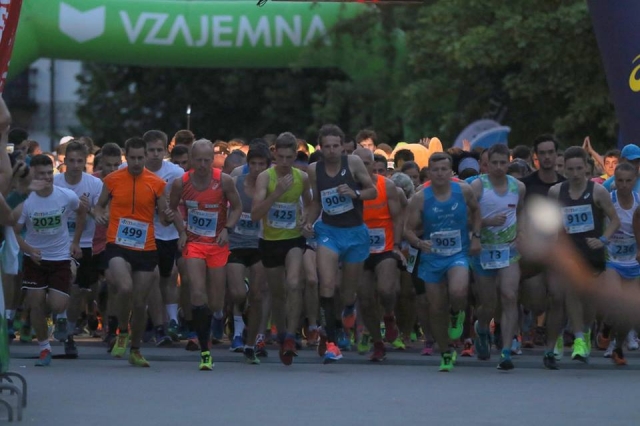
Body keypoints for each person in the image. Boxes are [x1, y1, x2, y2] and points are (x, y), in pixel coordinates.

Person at [94, 137, 173, 368]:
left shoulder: (157, 183)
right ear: (125, 157)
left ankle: (136, 349)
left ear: (145, 157)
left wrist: (168, 216)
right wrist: (99, 214)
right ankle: (121, 331)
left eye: (140, 158)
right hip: (117, 243)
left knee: (140, 303)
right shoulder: (112, 180)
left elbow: (164, 218)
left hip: (145, 247)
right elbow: (99, 205)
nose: (137, 162)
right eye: (132, 158)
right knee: (125, 287)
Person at [303, 124, 377, 363]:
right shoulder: (314, 169)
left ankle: (348, 308)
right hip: (329, 231)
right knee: (326, 285)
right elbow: (316, 201)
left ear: (342, 147)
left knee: (347, 293)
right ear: (320, 148)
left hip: (355, 233)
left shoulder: (353, 163)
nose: (332, 150)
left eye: (336, 146)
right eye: (327, 147)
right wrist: (308, 221)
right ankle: (332, 344)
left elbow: (372, 191)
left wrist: (355, 193)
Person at [404, 152, 481, 372]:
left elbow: (477, 212)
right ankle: (446, 352)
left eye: (444, 169)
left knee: (458, 291)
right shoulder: (420, 197)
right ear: (429, 172)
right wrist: (419, 243)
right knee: (436, 308)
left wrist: (476, 237)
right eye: (435, 170)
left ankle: (457, 313)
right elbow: (407, 230)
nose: (440, 174)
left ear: (451, 172)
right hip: (432, 257)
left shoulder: (463, 191)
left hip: (457, 253)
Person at [169, 139, 242, 370]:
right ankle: (205, 350)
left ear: (213, 159)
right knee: (197, 292)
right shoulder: (181, 182)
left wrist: (228, 228)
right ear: (191, 159)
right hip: (194, 244)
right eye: (198, 160)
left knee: (216, 302)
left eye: (206, 160)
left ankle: (213, 320)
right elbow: (172, 208)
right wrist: (181, 231)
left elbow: (237, 207)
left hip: (217, 244)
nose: (202, 165)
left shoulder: (224, 180)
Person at [544, 146, 619, 369]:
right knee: (569, 290)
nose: (575, 173)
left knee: (589, 302)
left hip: (592, 253)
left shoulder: (598, 192)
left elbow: (614, 220)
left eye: (579, 168)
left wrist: (603, 239)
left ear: (587, 167)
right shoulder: (556, 192)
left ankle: (584, 332)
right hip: (568, 253)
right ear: (564, 170)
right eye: (570, 169)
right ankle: (576, 338)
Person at [13, 154, 85, 366]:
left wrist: (76, 242)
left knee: (56, 305)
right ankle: (44, 348)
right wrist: (28, 249)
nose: (46, 178)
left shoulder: (66, 196)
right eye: (40, 174)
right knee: (35, 302)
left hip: (60, 257)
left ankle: (69, 271)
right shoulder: (27, 202)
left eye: (49, 173)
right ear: (33, 176)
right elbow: (15, 232)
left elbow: (82, 212)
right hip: (35, 259)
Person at [251, 132, 312, 366]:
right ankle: (282, 332)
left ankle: (290, 338)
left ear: (295, 156)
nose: (285, 162)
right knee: (277, 293)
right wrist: (276, 193)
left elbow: (310, 204)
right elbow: (255, 213)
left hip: (293, 239)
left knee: (294, 283)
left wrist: (307, 220)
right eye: (281, 157)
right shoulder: (265, 178)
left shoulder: (302, 177)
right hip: (270, 241)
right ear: (274, 154)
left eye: (289, 157)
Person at [470, 143, 526, 370]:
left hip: (508, 250)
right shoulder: (477, 186)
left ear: (508, 163)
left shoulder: (518, 187)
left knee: (509, 295)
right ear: (487, 163)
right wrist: (484, 223)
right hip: (483, 249)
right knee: (488, 303)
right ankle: (482, 327)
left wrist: (520, 233)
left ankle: (506, 350)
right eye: (494, 163)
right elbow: (466, 218)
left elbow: (520, 213)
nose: (499, 167)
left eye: (503, 163)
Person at [353, 148, 405, 361]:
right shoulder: (348, 189)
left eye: (366, 163)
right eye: (358, 164)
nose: (362, 168)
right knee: (365, 299)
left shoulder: (386, 185)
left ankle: (389, 315)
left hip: (385, 247)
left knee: (385, 290)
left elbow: (398, 217)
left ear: (373, 165)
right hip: (359, 250)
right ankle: (377, 342)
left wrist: (397, 245)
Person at [52, 141, 103, 357]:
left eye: (79, 161)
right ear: (64, 161)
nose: (75, 165)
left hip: (85, 242)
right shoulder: (55, 183)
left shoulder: (94, 184)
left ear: (85, 162)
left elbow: (101, 212)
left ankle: (69, 329)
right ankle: (61, 324)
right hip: (58, 242)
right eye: (71, 161)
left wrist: (89, 209)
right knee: (68, 283)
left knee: (79, 290)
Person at [519, 134, 566, 348]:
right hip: (534, 252)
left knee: (557, 296)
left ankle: (552, 343)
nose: (547, 157)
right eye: (543, 153)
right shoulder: (525, 185)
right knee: (537, 303)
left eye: (551, 152)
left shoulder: (565, 185)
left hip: (558, 252)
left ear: (556, 155)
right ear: (535, 156)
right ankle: (531, 319)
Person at [227, 144, 270, 363]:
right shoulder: (236, 183)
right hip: (236, 243)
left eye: (262, 164)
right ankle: (242, 312)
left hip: (259, 245)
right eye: (253, 164)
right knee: (238, 295)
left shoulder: (271, 187)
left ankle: (251, 344)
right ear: (248, 165)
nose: (257, 168)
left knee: (258, 295)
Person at [142, 130, 186, 345]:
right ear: (144, 151)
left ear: (166, 150)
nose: (155, 154)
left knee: (168, 278)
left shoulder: (175, 172)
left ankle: (171, 321)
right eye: (151, 150)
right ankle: (159, 326)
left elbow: (179, 204)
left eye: (159, 150)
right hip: (143, 233)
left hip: (168, 233)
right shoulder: (132, 169)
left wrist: (182, 230)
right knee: (153, 276)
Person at [599, 163, 640, 365]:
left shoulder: (639, 202)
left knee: (629, 311)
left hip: (633, 261)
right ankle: (607, 327)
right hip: (612, 260)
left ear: (635, 180)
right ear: (614, 180)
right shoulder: (609, 200)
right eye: (620, 180)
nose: (623, 185)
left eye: (628, 181)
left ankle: (617, 346)